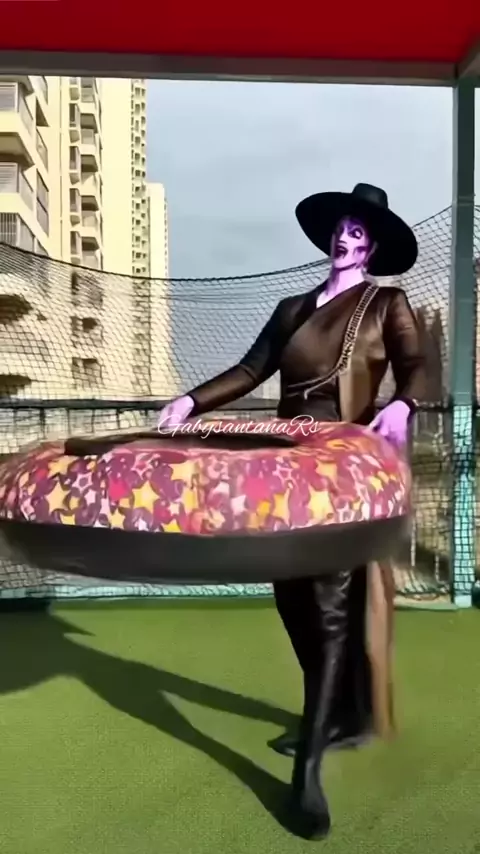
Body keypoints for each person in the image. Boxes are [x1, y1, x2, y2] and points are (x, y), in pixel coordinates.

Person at [159, 183, 426, 838]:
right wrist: (190, 401)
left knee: (330, 607)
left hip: (342, 470)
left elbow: (416, 364)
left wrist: (403, 403)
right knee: (292, 601)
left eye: (358, 232)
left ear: (373, 247)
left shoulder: (385, 303)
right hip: (285, 469)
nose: (344, 238)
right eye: (340, 228)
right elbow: (251, 370)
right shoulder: (291, 308)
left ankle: (308, 770)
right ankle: (343, 714)